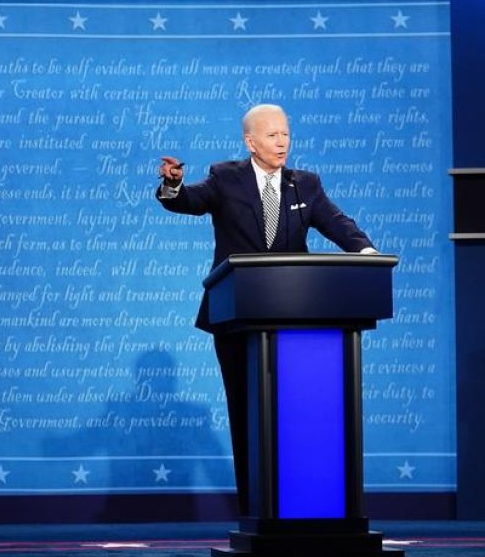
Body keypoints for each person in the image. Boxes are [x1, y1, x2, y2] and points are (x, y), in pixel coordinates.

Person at [154, 103, 377, 516]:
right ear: (250, 141)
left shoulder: (304, 185)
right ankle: (255, 508)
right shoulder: (226, 177)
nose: (282, 142)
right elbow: (189, 201)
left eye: (286, 134)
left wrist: (365, 251)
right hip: (236, 319)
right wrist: (173, 186)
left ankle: (304, 506)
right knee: (247, 411)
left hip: (298, 321)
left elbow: (336, 222)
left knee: (296, 417)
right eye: (272, 135)